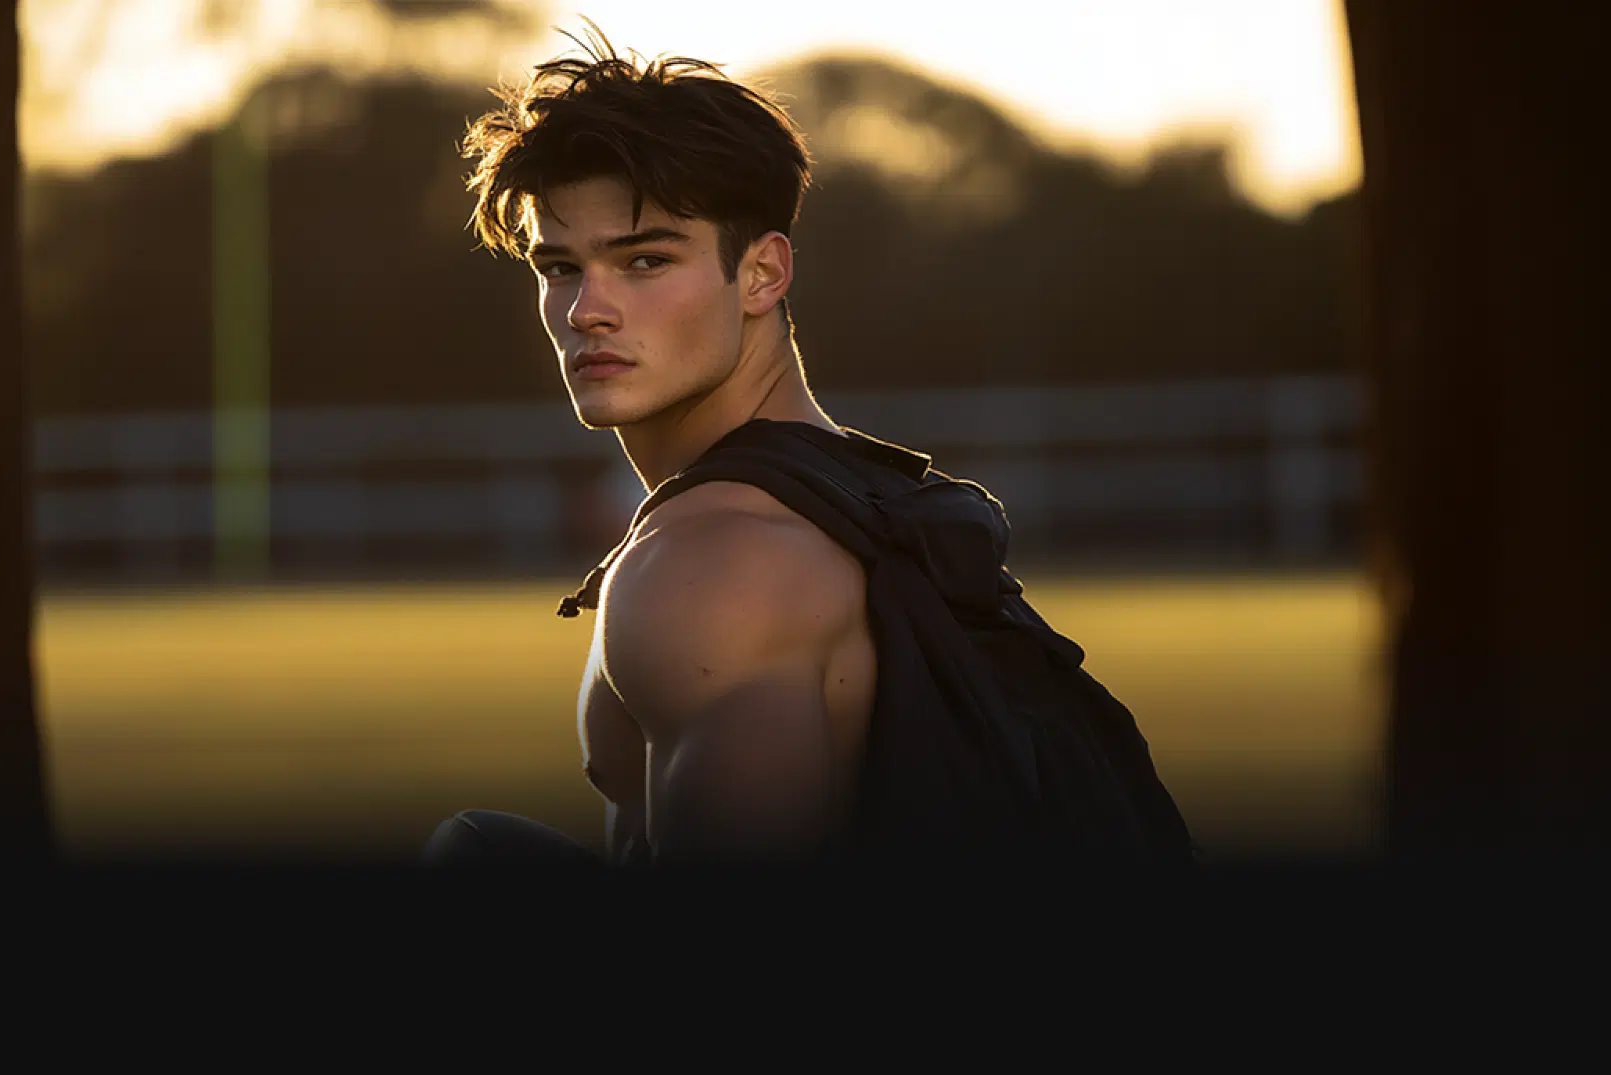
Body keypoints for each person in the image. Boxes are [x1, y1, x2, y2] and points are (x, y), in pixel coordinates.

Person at [422, 28, 1190, 867]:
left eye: (644, 261)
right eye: (560, 267)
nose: (585, 311)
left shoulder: (718, 562)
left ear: (762, 275)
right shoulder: (854, 494)